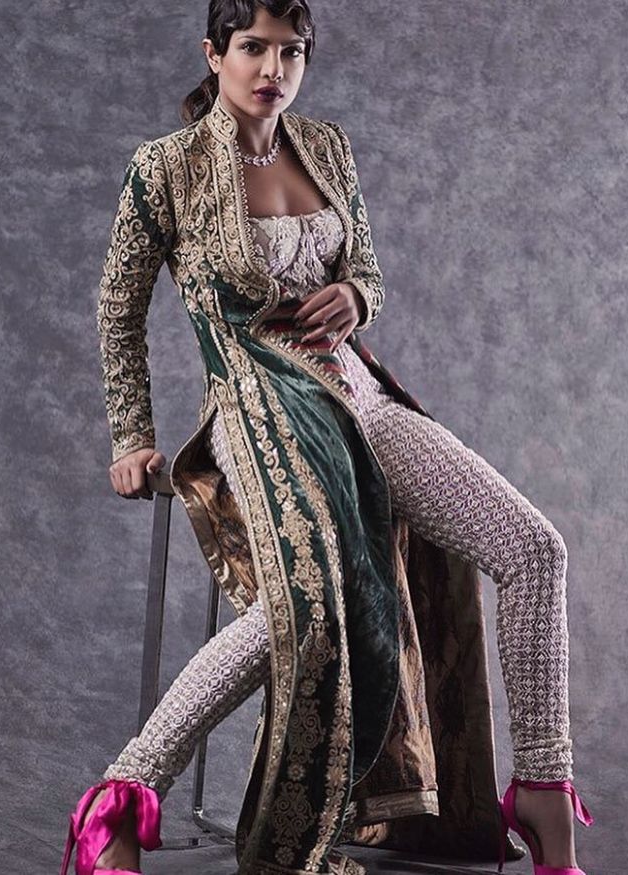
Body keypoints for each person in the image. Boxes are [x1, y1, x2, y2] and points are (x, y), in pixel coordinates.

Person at [59, 3, 595, 875]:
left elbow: (365, 269)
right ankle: (123, 794)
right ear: (214, 54)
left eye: (291, 50)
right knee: (306, 607)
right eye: (253, 48)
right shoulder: (166, 168)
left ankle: (541, 785)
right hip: (260, 412)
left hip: (362, 399)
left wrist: (357, 298)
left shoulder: (327, 147)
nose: (273, 68)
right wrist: (132, 435)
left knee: (536, 550)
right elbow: (118, 308)